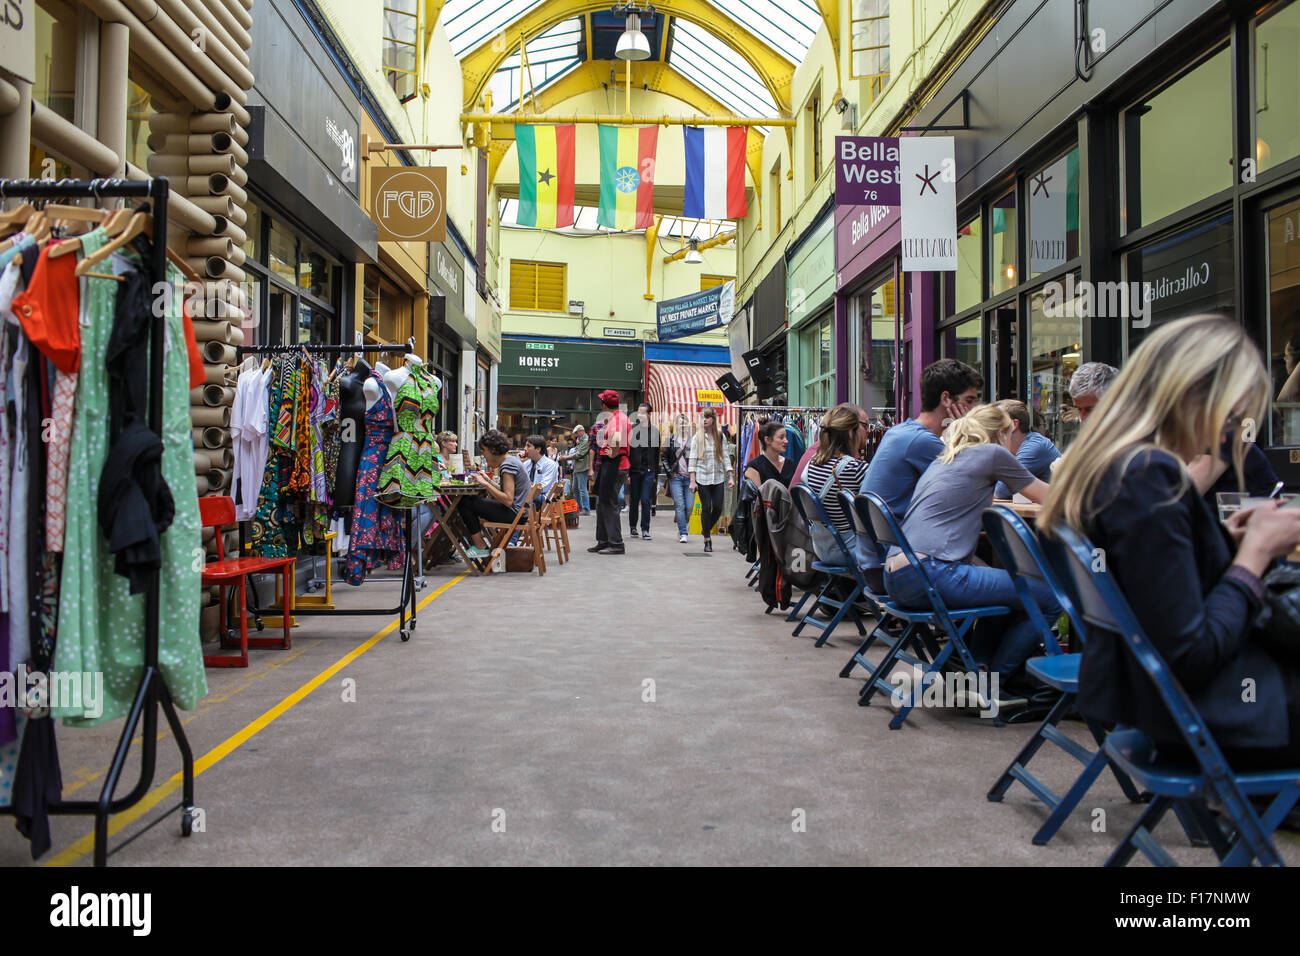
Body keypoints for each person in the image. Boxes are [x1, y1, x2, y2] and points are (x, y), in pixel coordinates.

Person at [1041, 316, 1300, 767]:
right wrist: (1256, 554)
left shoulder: (1118, 467)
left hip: (1148, 696)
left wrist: (1227, 538)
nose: (1233, 432)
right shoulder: (1146, 476)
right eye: (1234, 414)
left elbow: (1158, 580)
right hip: (1208, 711)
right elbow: (1190, 655)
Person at [884, 404, 1057, 695]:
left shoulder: (946, 458)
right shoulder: (992, 453)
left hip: (897, 575)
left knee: (1004, 587)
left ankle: (978, 669)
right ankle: (994, 684)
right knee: (1049, 595)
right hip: (931, 573)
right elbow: (1049, 497)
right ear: (1005, 432)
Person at [862, 358, 983, 520]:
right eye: (969, 400)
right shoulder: (921, 441)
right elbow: (971, 489)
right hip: (903, 534)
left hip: (882, 533)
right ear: (946, 399)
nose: (974, 408)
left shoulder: (899, 432)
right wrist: (968, 432)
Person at [462, 429, 533, 552]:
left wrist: (485, 484)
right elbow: (507, 491)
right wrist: (488, 481)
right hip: (521, 514)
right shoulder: (512, 461)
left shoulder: (508, 465)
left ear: (492, 450)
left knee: (465, 502)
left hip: (514, 515)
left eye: (483, 450)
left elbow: (508, 500)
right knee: (470, 501)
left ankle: (480, 547)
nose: (483, 454)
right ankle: (479, 546)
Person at [993, 399, 1061, 498]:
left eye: (995, 421)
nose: (990, 427)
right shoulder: (1016, 448)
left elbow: (1001, 491)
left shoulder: (1033, 447)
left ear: (1014, 425)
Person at [590, 389, 630, 555]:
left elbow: (618, 438)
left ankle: (616, 543)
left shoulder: (617, 419)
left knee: (609, 503)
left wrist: (613, 452)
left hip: (615, 464)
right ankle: (604, 540)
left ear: (604, 405)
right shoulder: (620, 417)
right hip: (614, 464)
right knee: (602, 503)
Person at [688, 407, 733, 553]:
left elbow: (725, 456)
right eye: (703, 417)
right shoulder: (697, 437)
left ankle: (705, 528)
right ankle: (707, 539)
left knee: (718, 507)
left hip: (718, 477)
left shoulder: (720, 435)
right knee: (706, 507)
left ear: (713, 419)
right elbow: (692, 459)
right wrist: (692, 481)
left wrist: (730, 475)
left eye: (707, 417)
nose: (704, 420)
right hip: (702, 477)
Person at [627, 402, 660, 540]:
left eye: (642, 412)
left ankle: (645, 529)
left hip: (649, 471)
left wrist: (655, 475)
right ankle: (633, 527)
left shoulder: (655, 432)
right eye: (638, 412)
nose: (639, 415)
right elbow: (628, 452)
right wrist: (627, 472)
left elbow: (657, 455)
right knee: (634, 500)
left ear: (649, 414)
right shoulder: (632, 430)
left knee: (646, 500)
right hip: (634, 471)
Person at [664, 413, 693, 543]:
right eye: (680, 423)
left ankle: (683, 525)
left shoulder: (693, 440)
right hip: (676, 478)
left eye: (685, 423)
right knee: (680, 505)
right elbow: (664, 457)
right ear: (676, 425)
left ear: (688, 425)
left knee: (689, 507)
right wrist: (670, 473)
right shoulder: (670, 439)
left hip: (690, 478)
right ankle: (683, 533)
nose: (682, 425)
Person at [744, 420, 798, 489]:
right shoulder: (755, 466)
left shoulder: (790, 465)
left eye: (786, 437)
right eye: (781, 437)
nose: (786, 441)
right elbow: (758, 494)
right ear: (767, 440)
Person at [564, 424, 591, 514]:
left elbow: (579, 454)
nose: (575, 435)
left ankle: (586, 509)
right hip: (577, 467)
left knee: (582, 489)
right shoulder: (580, 440)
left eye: (576, 433)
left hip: (582, 467)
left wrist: (566, 457)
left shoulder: (586, 440)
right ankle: (578, 508)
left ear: (581, 431)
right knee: (575, 489)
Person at [523, 434, 560, 498]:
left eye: (528, 446)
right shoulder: (526, 464)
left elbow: (542, 488)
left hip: (543, 497)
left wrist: (525, 486)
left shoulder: (551, 465)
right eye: (525, 445)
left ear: (538, 449)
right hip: (528, 495)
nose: (525, 448)